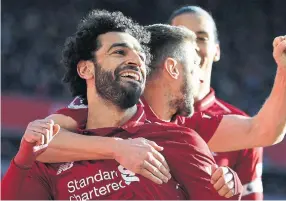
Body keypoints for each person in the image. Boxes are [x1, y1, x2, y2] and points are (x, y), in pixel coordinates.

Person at [1, 10, 243, 200]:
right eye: (119, 52)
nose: (135, 60)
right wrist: (23, 160)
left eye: (140, 56)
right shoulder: (55, 151)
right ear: (86, 68)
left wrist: (231, 189)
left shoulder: (179, 141)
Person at [169, 6, 264, 199]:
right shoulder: (138, 114)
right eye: (182, 37)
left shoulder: (242, 127)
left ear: (217, 51)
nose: (193, 46)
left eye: (201, 38)